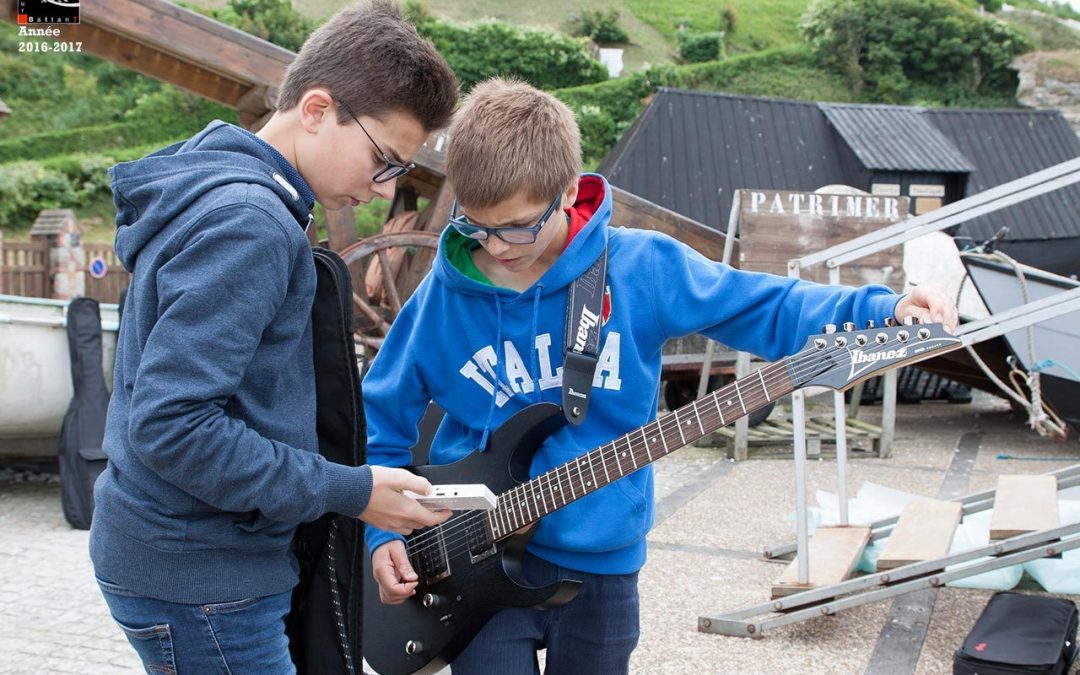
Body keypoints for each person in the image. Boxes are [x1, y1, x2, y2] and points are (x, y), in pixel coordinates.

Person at [363, 77, 959, 674]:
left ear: (567, 191)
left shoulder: (640, 267)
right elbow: (379, 419)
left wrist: (878, 308)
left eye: (516, 227)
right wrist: (382, 534)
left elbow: (764, 305)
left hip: (602, 562)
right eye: (476, 226)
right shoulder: (444, 296)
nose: (497, 247)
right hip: (467, 561)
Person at [88, 2, 459, 672]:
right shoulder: (251, 222)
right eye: (383, 160)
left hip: (179, 555)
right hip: (204, 576)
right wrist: (353, 489)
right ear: (316, 109)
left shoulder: (219, 186)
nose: (383, 192)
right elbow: (173, 427)